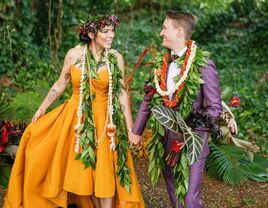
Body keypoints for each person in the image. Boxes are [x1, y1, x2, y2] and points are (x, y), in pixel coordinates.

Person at [4, 12, 144, 208]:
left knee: (104, 169)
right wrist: (42, 108)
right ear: (92, 34)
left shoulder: (115, 58)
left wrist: (130, 128)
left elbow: (121, 94)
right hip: (75, 118)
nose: (111, 35)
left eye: (113, 30)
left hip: (104, 119)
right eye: (105, 31)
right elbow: (61, 83)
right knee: (78, 165)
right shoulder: (74, 54)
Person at [131, 11, 222, 208]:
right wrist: (136, 132)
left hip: (193, 143)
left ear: (179, 32)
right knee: (174, 196)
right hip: (165, 140)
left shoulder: (203, 65)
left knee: (190, 200)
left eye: (165, 28)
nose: (161, 32)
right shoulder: (161, 64)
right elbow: (148, 101)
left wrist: (189, 131)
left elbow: (215, 109)